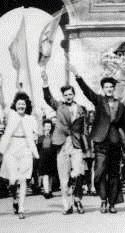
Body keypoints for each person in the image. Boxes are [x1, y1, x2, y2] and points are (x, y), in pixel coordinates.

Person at [69, 65, 125, 214]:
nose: (109, 88)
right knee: (99, 172)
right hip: (100, 142)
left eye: (111, 86)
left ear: (114, 88)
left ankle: (112, 203)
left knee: (114, 174)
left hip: (115, 143)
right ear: (103, 88)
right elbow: (86, 90)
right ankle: (103, 199)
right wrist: (77, 75)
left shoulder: (120, 105)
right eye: (106, 86)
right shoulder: (99, 100)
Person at [41, 68, 88, 214]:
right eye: (65, 94)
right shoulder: (59, 106)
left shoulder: (81, 109)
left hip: (76, 144)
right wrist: (45, 82)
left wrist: (87, 146)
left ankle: (78, 199)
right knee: (63, 177)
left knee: (78, 172)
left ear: (74, 95)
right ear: (63, 96)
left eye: (70, 94)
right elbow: (48, 98)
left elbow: (84, 129)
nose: (68, 96)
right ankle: (66, 205)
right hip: (62, 144)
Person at [0, 91, 39, 219]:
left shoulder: (31, 119)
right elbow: (2, 103)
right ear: (15, 105)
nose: (21, 106)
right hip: (11, 148)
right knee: (12, 180)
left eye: (23, 104)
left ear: (26, 105)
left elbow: (36, 133)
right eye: (19, 104)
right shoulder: (11, 115)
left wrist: (35, 137)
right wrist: (0, 87)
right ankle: (14, 198)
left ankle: (21, 208)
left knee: (23, 179)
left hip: (26, 148)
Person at [37, 119, 56, 199]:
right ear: (43, 127)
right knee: (45, 174)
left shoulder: (53, 136)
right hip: (43, 157)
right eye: (46, 126)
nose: (48, 128)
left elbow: (54, 147)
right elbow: (38, 148)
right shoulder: (41, 137)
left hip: (51, 157)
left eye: (49, 126)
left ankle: (50, 189)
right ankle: (46, 191)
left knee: (51, 175)